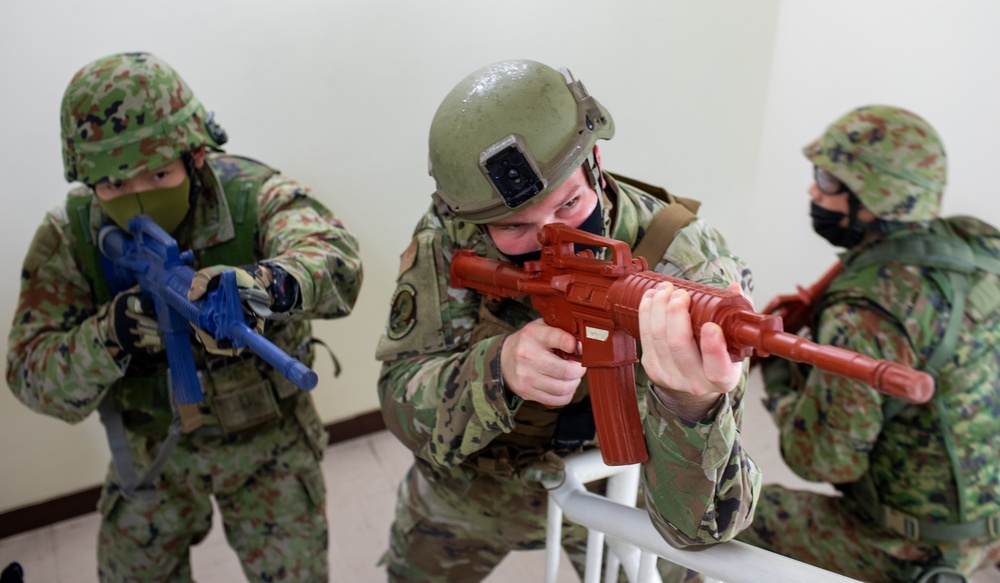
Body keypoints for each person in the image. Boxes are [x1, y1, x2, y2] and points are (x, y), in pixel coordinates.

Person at [374, 59, 761, 582]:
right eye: (516, 227)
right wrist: (498, 369)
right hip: (469, 491)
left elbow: (705, 527)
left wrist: (692, 405)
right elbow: (398, 399)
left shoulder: (685, 264)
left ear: (595, 163)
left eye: (571, 203)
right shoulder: (451, 235)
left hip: (618, 490)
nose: (550, 236)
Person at [5, 52, 363, 582]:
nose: (139, 198)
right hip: (153, 451)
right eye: (113, 186)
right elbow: (30, 376)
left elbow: (336, 262)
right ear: (88, 181)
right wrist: (110, 334)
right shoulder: (70, 234)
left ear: (195, 155)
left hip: (270, 444)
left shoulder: (250, 193)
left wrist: (263, 287)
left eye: (158, 173)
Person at [737, 105, 1000, 583]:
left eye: (829, 180)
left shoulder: (866, 310)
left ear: (877, 195)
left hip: (918, 543)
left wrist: (777, 376)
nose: (814, 190)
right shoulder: (978, 243)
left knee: (719, 510)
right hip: (990, 517)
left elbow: (820, 458)